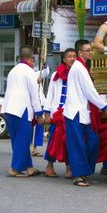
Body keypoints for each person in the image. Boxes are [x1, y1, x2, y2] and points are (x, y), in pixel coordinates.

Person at [64, 39, 107, 187]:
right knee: (77, 144)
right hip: (75, 111)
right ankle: (78, 175)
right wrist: (104, 106)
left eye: (91, 50)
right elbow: (90, 91)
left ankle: (84, 171)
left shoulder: (82, 67)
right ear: (81, 52)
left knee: (93, 141)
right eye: (88, 50)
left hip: (82, 111)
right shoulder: (79, 68)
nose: (91, 52)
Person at [1, 45, 47, 177]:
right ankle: (15, 168)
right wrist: (39, 114)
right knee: (23, 140)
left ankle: (29, 166)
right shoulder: (29, 72)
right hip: (22, 109)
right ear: (30, 59)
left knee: (17, 140)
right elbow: (34, 95)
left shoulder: (13, 71)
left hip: (9, 108)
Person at [43, 48, 77, 178]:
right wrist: (47, 112)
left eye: (74, 56)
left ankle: (69, 168)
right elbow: (50, 93)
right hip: (57, 113)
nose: (72, 59)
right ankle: (49, 166)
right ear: (64, 59)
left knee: (69, 141)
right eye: (69, 56)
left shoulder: (78, 73)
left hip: (70, 112)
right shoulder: (56, 75)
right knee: (54, 140)